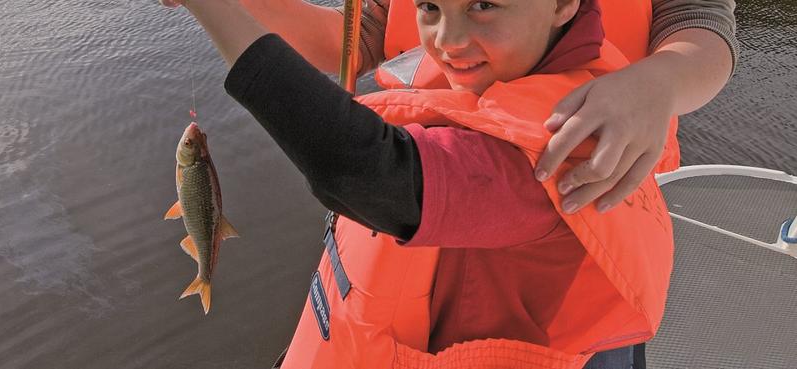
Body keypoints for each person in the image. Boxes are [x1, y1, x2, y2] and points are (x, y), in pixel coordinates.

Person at [163, 0, 696, 368]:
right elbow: (360, 37)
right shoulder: (492, 72)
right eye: (429, 8)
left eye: (484, 4)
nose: (449, 40)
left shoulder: (560, 147)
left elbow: (360, 170)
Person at [164, 0, 736, 218]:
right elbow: (358, 42)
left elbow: (703, 31)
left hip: (584, 174)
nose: (449, 36)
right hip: (425, 178)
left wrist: (657, 82)